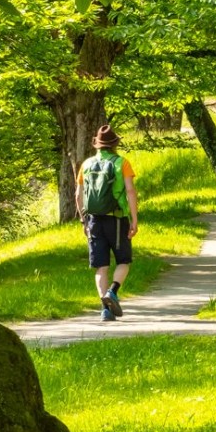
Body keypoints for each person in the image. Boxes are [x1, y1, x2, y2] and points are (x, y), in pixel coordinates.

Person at [75, 124, 139, 322]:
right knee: (123, 261)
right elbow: (130, 191)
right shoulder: (122, 163)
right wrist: (134, 220)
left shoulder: (86, 164)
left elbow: (78, 194)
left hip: (93, 220)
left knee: (101, 267)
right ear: (114, 144)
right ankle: (112, 291)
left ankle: (105, 310)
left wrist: (83, 220)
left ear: (97, 144)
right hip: (117, 218)